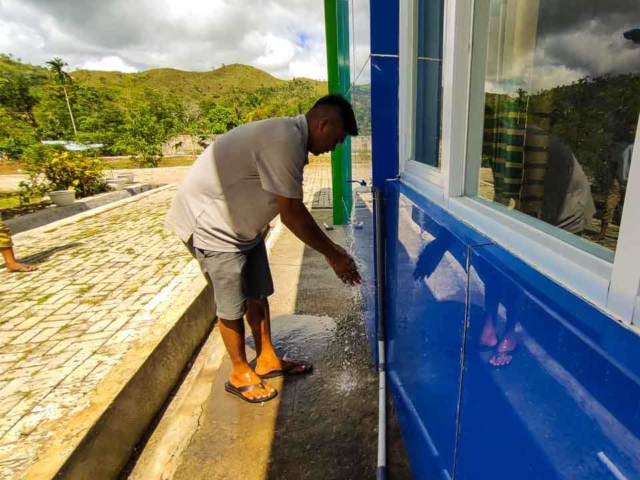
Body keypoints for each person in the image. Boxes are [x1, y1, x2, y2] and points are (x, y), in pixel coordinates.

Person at [166, 94, 361, 404]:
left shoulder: (291, 139)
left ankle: (267, 358)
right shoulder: (283, 140)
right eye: (336, 139)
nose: (333, 148)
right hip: (212, 225)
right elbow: (293, 214)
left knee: (258, 291)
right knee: (232, 302)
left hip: (244, 227)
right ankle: (239, 372)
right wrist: (334, 255)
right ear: (322, 124)